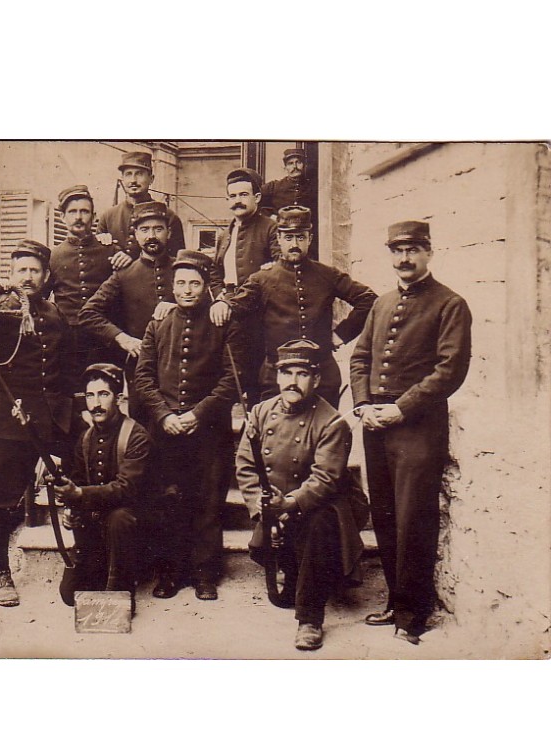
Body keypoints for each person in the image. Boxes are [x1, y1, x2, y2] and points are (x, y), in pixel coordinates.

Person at [350, 220, 472, 645]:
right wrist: (364, 404)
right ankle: (394, 600)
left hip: (417, 427)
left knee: (413, 518)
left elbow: (450, 370)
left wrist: (399, 409)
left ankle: (412, 614)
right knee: (383, 512)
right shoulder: (382, 304)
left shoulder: (450, 304)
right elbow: (361, 355)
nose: (404, 259)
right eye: (397, 251)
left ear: (428, 253)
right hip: (375, 425)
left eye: (413, 250)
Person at [0, 239, 74, 607]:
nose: (28, 276)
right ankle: (1, 571)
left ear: (46, 276)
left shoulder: (54, 314)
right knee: (1, 498)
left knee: (73, 483)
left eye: (35, 270)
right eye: (21, 269)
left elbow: (64, 370)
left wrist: (63, 421)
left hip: (49, 419)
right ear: (11, 274)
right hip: (7, 421)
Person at [236, 339, 367, 651]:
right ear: (277, 377)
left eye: (302, 374)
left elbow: (325, 478)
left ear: (316, 379)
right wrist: (262, 507)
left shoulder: (331, 421)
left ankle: (310, 617)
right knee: (281, 570)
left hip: (324, 503)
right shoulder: (259, 413)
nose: (292, 381)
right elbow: (245, 465)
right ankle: (292, 570)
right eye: (286, 373)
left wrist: (289, 505)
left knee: (318, 523)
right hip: (275, 503)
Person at [134, 250, 238, 600]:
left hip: (208, 430)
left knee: (208, 500)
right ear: (172, 287)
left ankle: (206, 573)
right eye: (181, 283)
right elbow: (144, 377)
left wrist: (197, 414)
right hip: (164, 431)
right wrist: (164, 416)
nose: (188, 290)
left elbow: (230, 381)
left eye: (195, 283)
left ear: (206, 286)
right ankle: (170, 571)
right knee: (168, 500)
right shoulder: (158, 323)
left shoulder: (223, 324)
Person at [213, 206, 377, 407]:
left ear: (310, 239)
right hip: (275, 377)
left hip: (322, 375)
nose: (295, 244)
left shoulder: (327, 274)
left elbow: (368, 299)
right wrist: (222, 303)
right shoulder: (261, 279)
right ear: (279, 239)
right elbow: (235, 307)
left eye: (300, 237)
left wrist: (341, 334)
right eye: (288, 238)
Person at [55, 363, 152, 610]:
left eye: (103, 394)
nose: (96, 403)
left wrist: (79, 494)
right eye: (90, 395)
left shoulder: (136, 435)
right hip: (97, 522)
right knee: (70, 595)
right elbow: (79, 480)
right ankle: (99, 569)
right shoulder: (86, 438)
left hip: (134, 526)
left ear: (118, 398)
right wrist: (71, 507)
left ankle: (121, 590)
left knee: (120, 518)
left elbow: (126, 488)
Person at [79, 201, 177, 428]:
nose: (151, 235)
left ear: (169, 232)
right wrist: (123, 339)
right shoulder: (124, 275)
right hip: (142, 370)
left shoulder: (182, 270)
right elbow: (88, 313)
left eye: (158, 229)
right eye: (144, 230)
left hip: (181, 368)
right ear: (135, 234)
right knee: (145, 434)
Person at [210, 167, 280, 406]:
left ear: (257, 198)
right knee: (229, 376)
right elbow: (214, 271)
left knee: (258, 379)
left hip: (259, 315)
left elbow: (275, 269)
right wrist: (220, 296)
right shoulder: (224, 234)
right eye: (232, 196)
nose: (237, 201)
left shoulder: (270, 228)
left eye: (243, 195)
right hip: (228, 312)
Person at [47, 185, 122, 394]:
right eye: (72, 212)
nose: (78, 217)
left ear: (94, 216)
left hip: (104, 341)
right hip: (68, 343)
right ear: (62, 217)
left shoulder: (110, 250)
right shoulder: (53, 256)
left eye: (84, 211)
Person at [96, 150, 185, 268]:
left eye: (139, 174)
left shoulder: (169, 216)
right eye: (128, 174)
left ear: (151, 179)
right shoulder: (108, 216)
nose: (133, 180)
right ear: (122, 179)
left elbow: (176, 260)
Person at [260, 148, 318, 238]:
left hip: (306, 236)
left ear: (304, 165)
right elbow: (254, 200)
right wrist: (272, 217)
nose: (294, 167)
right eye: (290, 164)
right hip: (281, 235)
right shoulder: (274, 186)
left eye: (298, 162)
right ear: (285, 167)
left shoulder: (314, 187)